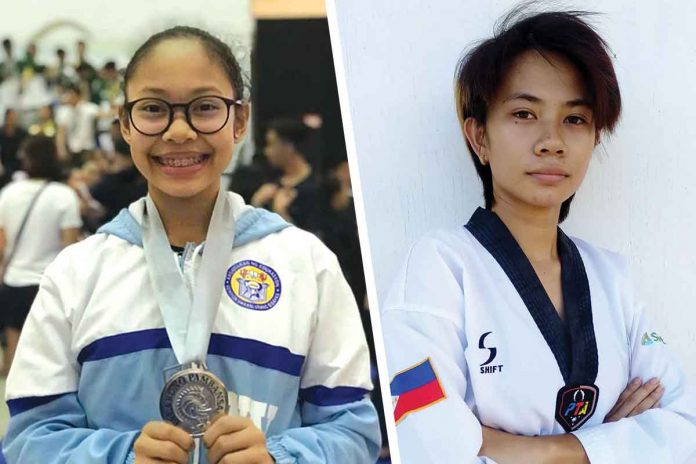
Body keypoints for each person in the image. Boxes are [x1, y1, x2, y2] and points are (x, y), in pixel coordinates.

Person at [3, 26, 379, 464]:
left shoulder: (305, 262)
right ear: (125, 124)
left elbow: (353, 428)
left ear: (239, 120)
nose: (179, 131)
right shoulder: (77, 272)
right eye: (153, 108)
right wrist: (119, 456)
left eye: (204, 107)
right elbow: (30, 438)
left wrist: (282, 458)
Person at [381, 9, 696, 464]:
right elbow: (426, 444)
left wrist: (535, 449)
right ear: (479, 138)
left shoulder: (611, 277)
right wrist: (611, 444)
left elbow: (684, 429)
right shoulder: (439, 267)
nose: (551, 141)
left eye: (575, 120)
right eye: (524, 113)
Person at [0, 135, 81, 373]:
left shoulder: (9, 193)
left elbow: (2, 242)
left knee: (13, 358)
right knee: (52, 356)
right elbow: (69, 246)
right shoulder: (64, 195)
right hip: (50, 284)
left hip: (15, 280)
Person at [251, 117, 324, 235]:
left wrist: (282, 214)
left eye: (271, 144)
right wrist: (256, 203)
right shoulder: (270, 183)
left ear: (288, 147)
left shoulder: (316, 187)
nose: (267, 152)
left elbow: (316, 243)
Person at [55, 83, 99, 166]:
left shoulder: (88, 108)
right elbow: (61, 132)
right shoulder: (63, 111)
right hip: (72, 147)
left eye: (71, 94)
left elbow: (102, 114)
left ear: (78, 95)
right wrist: (61, 149)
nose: (69, 97)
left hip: (87, 147)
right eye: (67, 94)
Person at [0, 109, 27, 186]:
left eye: (14, 118)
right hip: (4, 162)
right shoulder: (1, 133)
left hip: (18, 163)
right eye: (10, 118)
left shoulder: (22, 133)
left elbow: (25, 149)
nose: (13, 120)